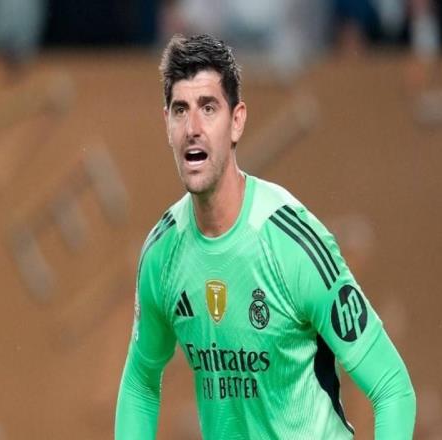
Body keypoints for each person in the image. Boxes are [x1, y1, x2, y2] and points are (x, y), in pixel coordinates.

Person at [115, 33, 416, 439]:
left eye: (208, 108)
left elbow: (393, 388)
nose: (193, 128)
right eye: (180, 110)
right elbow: (140, 382)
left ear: (237, 121)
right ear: (166, 124)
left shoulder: (292, 243)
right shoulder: (162, 253)